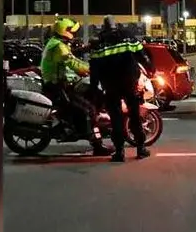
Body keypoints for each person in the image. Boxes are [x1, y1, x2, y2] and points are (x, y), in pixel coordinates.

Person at [89, 16, 156, 162]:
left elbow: (94, 69)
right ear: (116, 25)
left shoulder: (99, 43)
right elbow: (142, 55)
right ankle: (141, 149)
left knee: (116, 119)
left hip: (110, 85)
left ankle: (119, 152)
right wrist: (151, 69)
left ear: (104, 27)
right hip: (129, 82)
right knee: (134, 115)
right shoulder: (127, 36)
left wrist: (94, 89)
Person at [40, 18, 110, 155]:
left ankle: (77, 129)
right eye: (72, 30)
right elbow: (73, 63)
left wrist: (87, 66)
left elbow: (73, 60)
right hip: (57, 85)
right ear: (64, 31)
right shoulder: (59, 47)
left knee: (82, 105)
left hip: (56, 83)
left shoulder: (56, 43)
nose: (74, 33)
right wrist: (90, 69)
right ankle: (97, 146)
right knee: (89, 109)